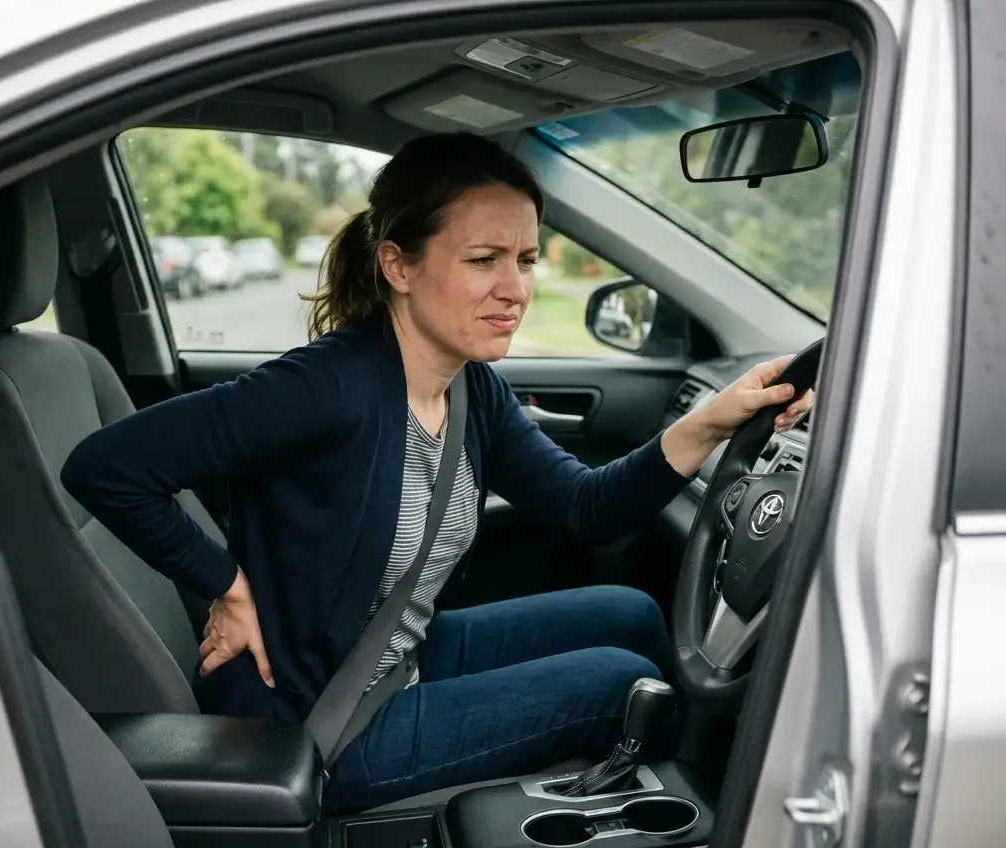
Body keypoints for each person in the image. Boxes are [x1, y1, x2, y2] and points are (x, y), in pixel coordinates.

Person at [60, 132, 813, 813]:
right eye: (483, 261)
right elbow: (106, 466)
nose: (516, 290)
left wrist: (712, 419)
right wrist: (222, 583)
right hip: (319, 720)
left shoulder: (468, 386)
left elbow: (586, 509)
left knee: (631, 613)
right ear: (398, 264)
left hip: (397, 657)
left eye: (524, 260)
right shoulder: (325, 387)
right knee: (622, 679)